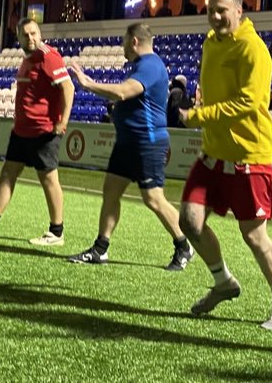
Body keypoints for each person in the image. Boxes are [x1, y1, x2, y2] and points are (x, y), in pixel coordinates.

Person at [176, 0, 272, 330]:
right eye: (210, 10)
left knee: (254, 235)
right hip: (213, 155)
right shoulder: (211, 43)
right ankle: (224, 282)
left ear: (240, 11)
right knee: (189, 221)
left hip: (249, 157)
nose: (214, 16)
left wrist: (198, 116)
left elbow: (248, 103)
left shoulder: (253, 49)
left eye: (221, 10)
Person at [65, 22, 194, 270]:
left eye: (124, 41)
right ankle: (100, 249)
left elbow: (124, 92)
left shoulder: (150, 65)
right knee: (111, 191)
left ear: (134, 41)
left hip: (146, 142)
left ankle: (184, 246)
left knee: (154, 199)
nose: (123, 46)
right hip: (128, 141)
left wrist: (88, 84)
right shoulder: (141, 65)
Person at [0, 18, 75, 245]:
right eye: (25, 35)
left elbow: (68, 87)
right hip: (22, 131)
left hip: (43, 131)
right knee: (8, 174)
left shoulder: (48, 56)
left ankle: (57, 232)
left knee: (49, 180)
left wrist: (63, 122)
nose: (30, 38)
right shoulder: (27, 59)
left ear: (40, 33)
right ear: (19, 37)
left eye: (34, 33)